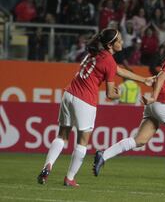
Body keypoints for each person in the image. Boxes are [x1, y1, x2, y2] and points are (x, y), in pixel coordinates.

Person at [36, 28, 154, 187]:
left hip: (68, 94)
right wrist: (121, 95)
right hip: (85, 100)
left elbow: (119, 70)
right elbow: (110, 94)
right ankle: (69, 178)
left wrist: (143, 80)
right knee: (82, 142)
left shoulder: (94, 53)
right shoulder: (109, 62)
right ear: (111, 45)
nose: (122, 42)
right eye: (119, 40)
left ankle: (47, 166)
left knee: (62, 135)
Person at [93, 32, 165, 184]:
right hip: (164, 104)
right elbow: (162, 77)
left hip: (154, 107)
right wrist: (154, 97)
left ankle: (103, 155)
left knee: (139, 140)